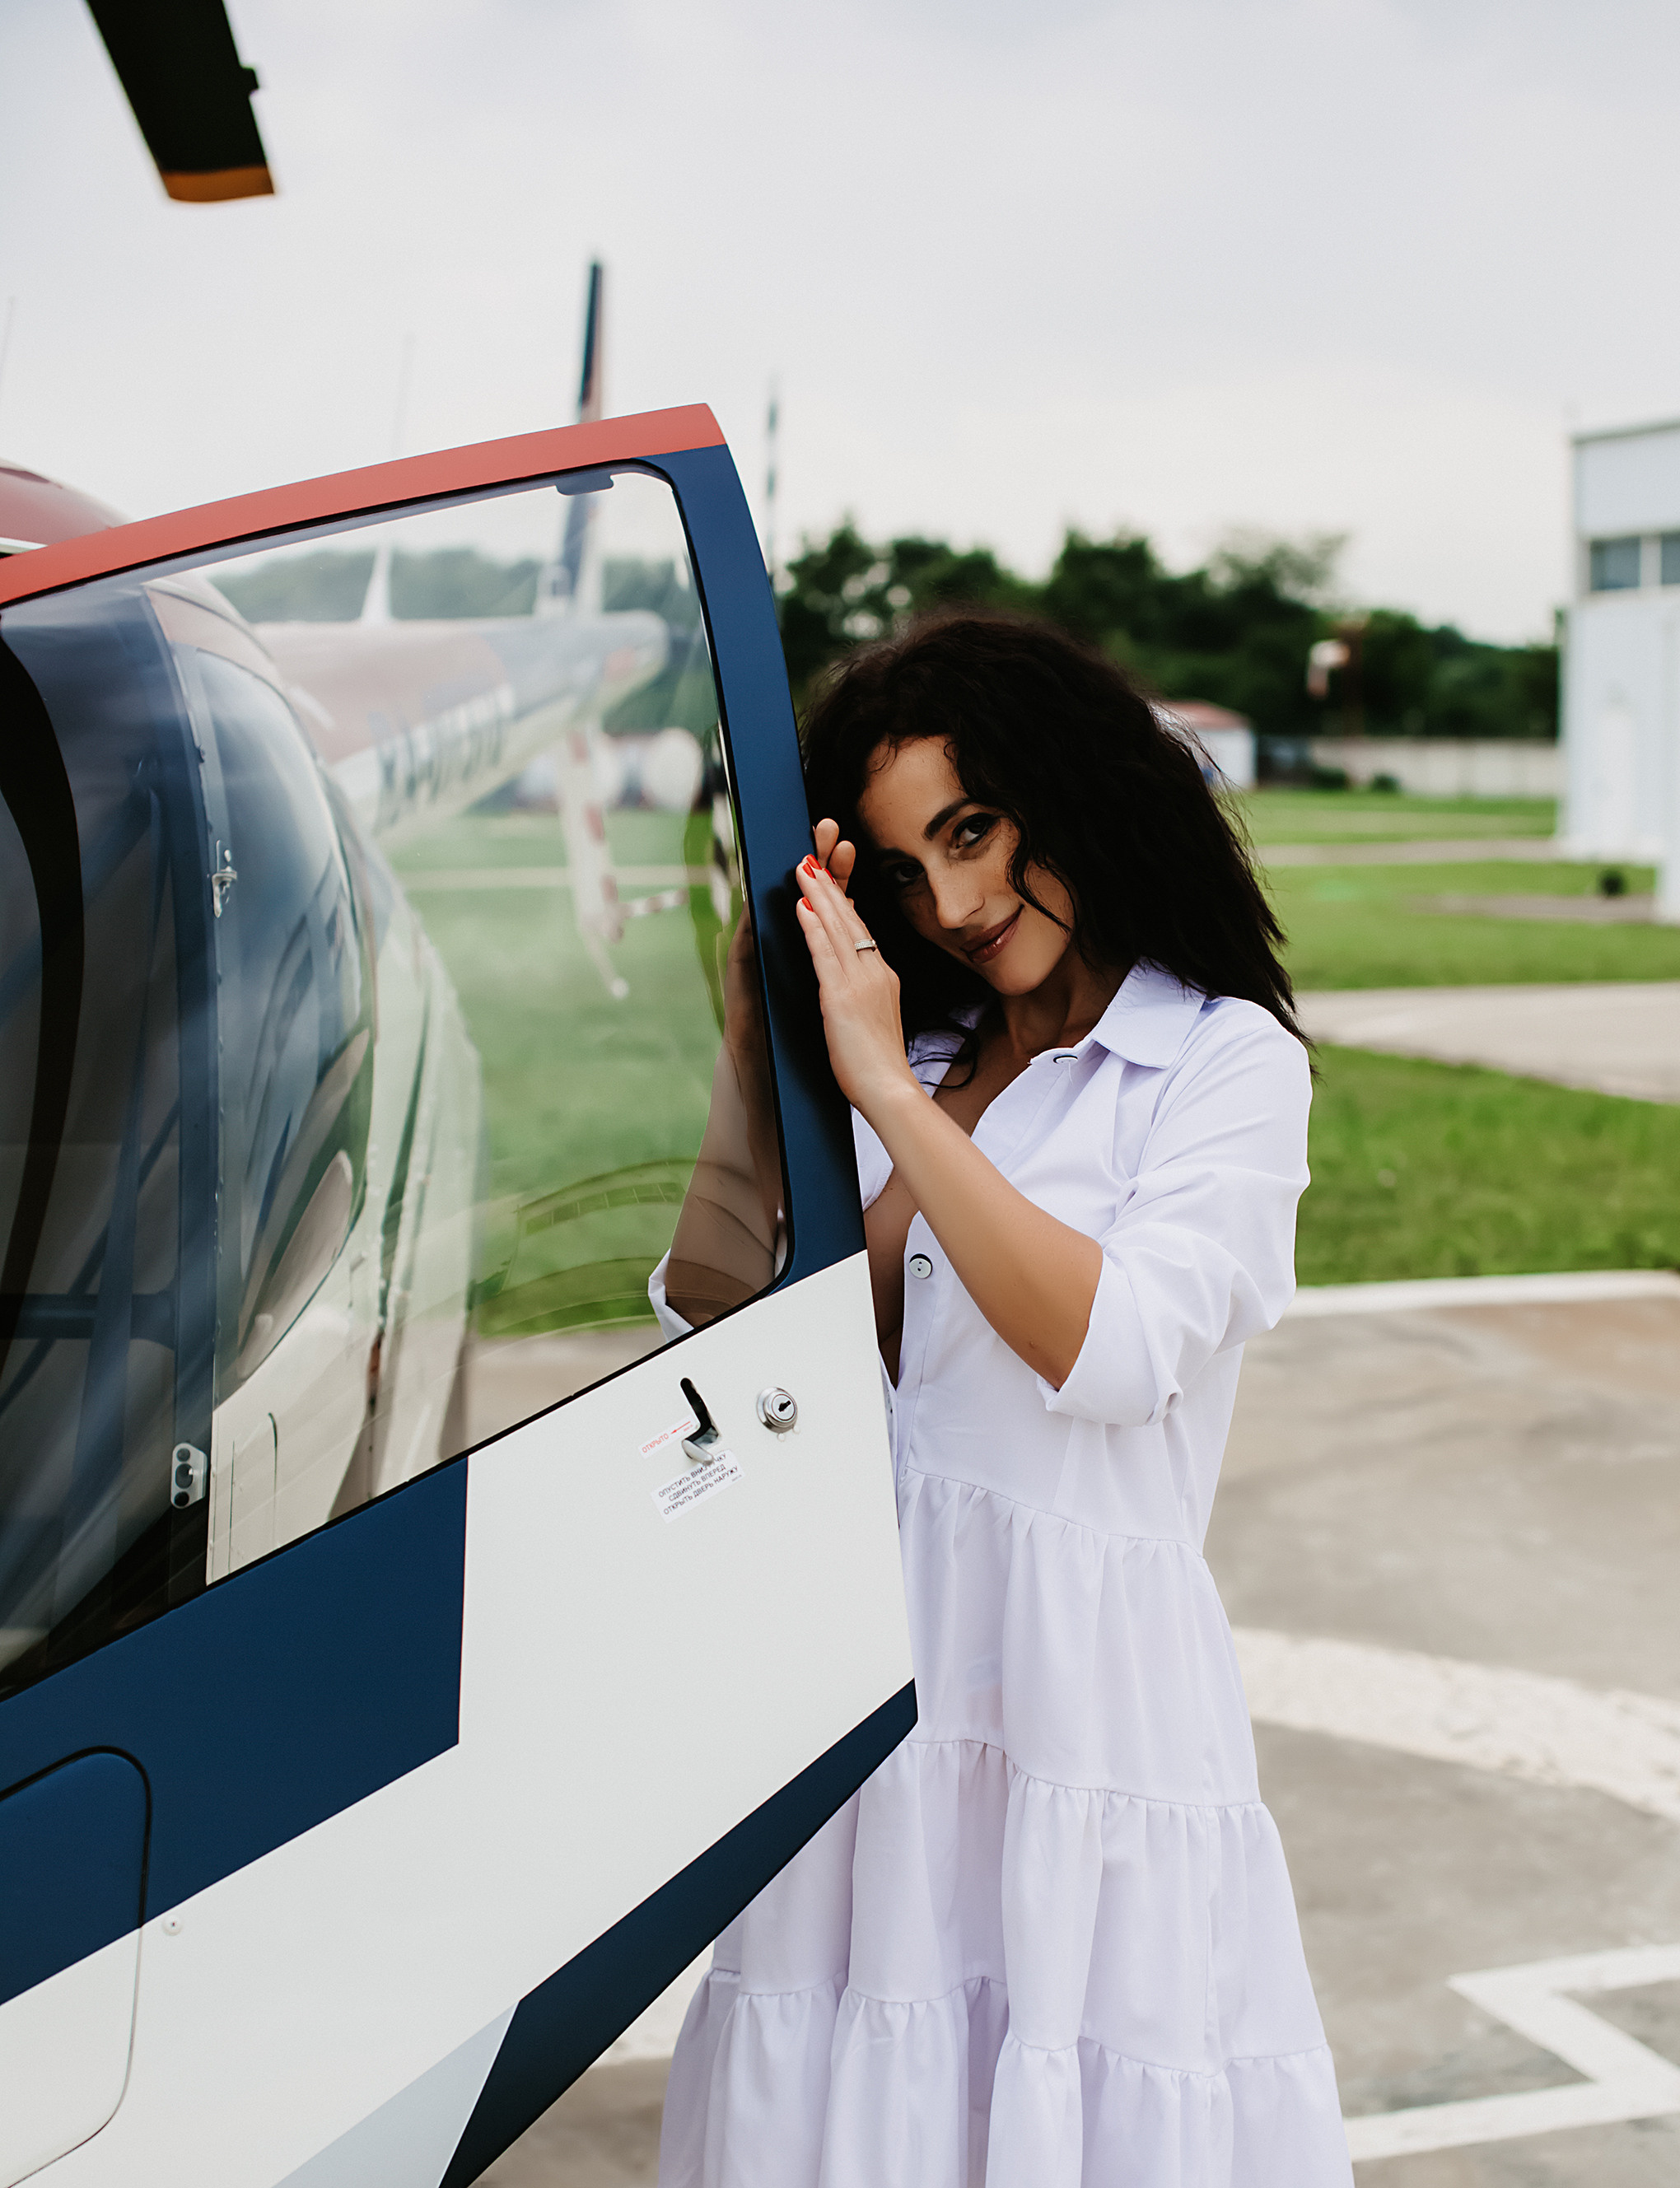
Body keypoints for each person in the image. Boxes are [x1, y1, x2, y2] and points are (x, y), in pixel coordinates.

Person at [656, 614, 1352, 2186]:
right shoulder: (936, 1037)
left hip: (1081, 1708)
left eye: (973, 830)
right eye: (904, 870)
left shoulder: (1219, 1064)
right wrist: (752, 1032)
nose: (954, 904)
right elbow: (721, 1314)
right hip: (869, 1686)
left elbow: (1112, 1349)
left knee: (1064, 2100)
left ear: (1074, 790)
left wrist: (888, 1093)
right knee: (852, 2100)